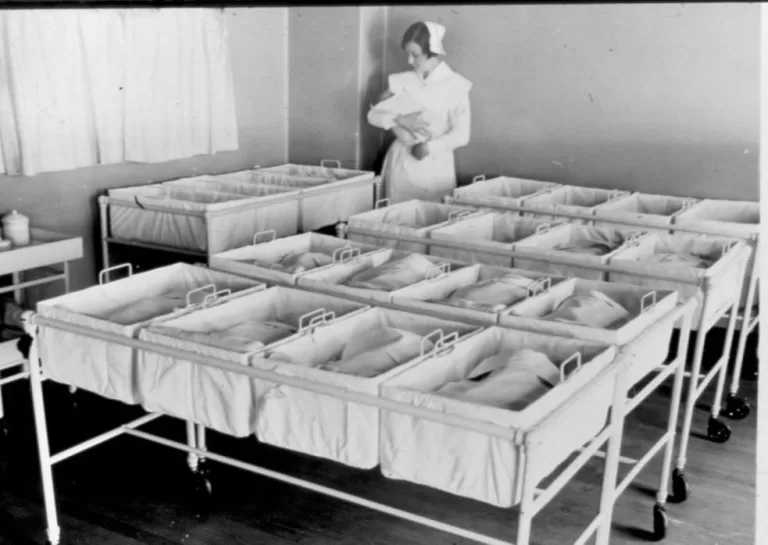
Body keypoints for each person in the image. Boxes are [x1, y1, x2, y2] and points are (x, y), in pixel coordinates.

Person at [367, 21, 473, 204]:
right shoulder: (401, 81)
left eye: (415, 55)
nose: (409, 61)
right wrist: (399, 120)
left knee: (431, 218)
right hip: (401, 161)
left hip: (435, 163)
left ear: (432, 51)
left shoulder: (456, 85)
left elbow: (462, 135)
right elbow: (372, 115)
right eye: (407, 54)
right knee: (393, 218)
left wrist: (428, 148)